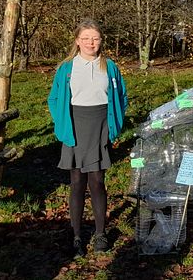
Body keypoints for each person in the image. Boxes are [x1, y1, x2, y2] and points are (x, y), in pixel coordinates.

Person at [47, 19, 128, 257]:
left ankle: (101, 233)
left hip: (100, 124)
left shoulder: (110, 67)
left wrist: (115, 126)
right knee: (76, 183)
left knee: (97, 181)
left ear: (101, 41)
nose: (90, 43)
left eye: (95, 38)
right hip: (75, 126)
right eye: (86, 38)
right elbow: (54, 99)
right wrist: (61, 124)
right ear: (77, 41)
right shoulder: (66, 68)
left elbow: (122, 97)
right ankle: (76, 235)